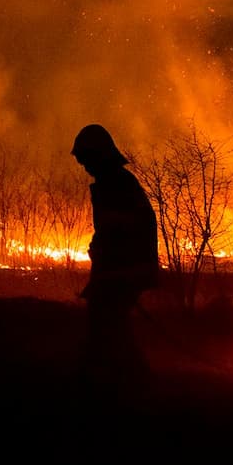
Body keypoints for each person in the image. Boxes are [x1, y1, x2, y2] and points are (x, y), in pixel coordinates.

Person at [71, 124, 159, 391]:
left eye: (87, 160)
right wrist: (99, 246)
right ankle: (123, 379)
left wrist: (108, 253)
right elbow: (112, 226)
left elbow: (129, 225)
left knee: (107, 324)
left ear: (99, 156)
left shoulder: (118, 183)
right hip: (119, 269)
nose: (85, 167)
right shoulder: (113, 182)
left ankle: (115, 382)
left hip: (124, 269)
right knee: (111, 326)